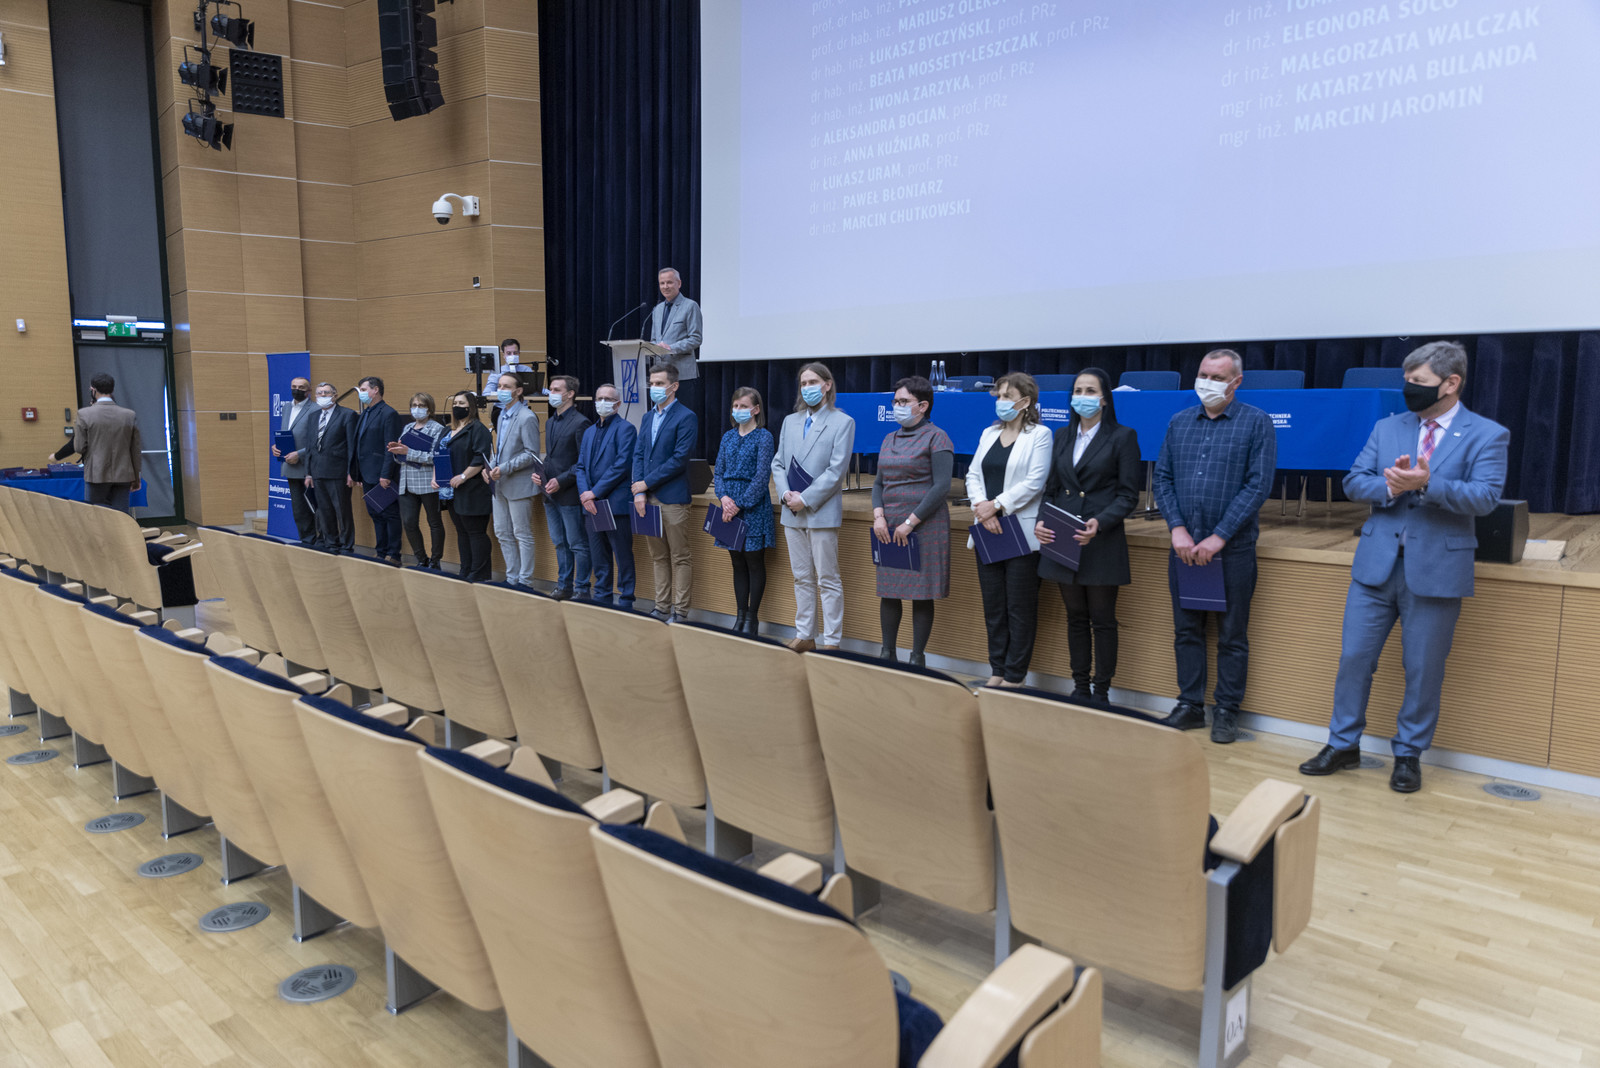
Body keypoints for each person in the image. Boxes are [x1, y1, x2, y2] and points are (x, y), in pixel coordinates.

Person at [1299, 342, 1509, 793]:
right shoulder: (1387, 427)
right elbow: (1354, 481)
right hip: (1375, 567)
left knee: (1423, 669)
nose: (1408, 389)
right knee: (1354, 659)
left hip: (1436, 570)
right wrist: (1391, 487)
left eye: (1419, 382)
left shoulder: (1487, 434)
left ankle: (1409, 754)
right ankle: (1342, 744)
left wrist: (1428, 483)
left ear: (1451, 384)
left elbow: (1486, 498)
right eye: (1407, 380)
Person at [1151, 349, 1277, 743]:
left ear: (1237, 382)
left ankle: (1226, 711)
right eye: (1203, 374)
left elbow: (1258, 485)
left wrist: (1219, 536)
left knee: (1232, 635)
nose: (1207, 383)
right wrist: (1177, 529)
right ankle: (1190, 705)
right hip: (1184, 546)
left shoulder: (1257, 422)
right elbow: (1162, 478)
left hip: (1232, 548)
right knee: (1186, 630)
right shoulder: (1179, 421)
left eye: (1218, 377)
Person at [1034, 368, 1142, 704]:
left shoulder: (1123, 436)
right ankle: (1080, 687)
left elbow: (1128, 495)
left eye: (1090, 390)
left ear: (1104, 399)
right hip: (1063, 537)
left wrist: (1100, 522)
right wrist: (1041, 520)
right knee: (1075, 618)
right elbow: (1051, 489)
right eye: (1078, 390)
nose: (1082, 396)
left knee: (1102, 620)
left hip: (1100, 539)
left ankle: (1101, 692)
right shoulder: (1062, 435)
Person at [966, 372, 1053, 687]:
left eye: (1007, 396)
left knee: (1019, 608)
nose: (1000, 402)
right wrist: (982, 507)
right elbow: (972, 475)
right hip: (987, 528)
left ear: (1025, 401)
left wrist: (997, 505)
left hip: (1021, 531)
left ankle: (1015, 676)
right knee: (994, 607)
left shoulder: (1040, 434)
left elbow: (1035, 482)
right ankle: (997, 672)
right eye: (999, 396)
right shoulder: (989, 433)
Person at [772, 362, 856, 652]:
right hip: (791, 510)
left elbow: (836, 471)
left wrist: (805, 498)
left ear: (827, 385)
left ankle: (832, 641)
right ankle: (805, 634)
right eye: (803, 383)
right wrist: (786, 494)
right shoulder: (790, 421)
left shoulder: (842, 422)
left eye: (812, 382)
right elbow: (778, 463)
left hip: (820, 511)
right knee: (801, 577)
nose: (807, 387)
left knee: (827, 578)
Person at [871, 376, 953, 667]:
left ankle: (917, 658)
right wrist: (879, 516)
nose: (897, 406)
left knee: (921, 594)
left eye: (903, 401)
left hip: (924, 524)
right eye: (895, 401)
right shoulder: (888, 438)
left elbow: (942, 486)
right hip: (889, 525)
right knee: (889, 591)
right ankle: (887, 654)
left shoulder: (937, 437)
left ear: (923, 405)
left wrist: (910, 522)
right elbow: (879, 483)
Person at [631, 362, 699, 621]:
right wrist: (639, 492)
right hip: (647, 498)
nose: (654, 388)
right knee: (658, 556)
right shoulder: (647, 417)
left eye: (659, 383)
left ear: (674, 386)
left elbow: (679, 459)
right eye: (652, 383)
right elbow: (639, 454)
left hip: (673, 498)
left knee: (680, 557)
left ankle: (680, 612)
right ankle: (661, 608)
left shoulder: (686, 416)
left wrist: (645, 483)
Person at [713, 387, 776, 637]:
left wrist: (738, 504)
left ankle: (752, 619)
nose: (738, 410)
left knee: (753, 562)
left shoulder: (764, 437)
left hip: (752, 507)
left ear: (756, 409)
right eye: (735, 406)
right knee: (736, 563)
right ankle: (739, 616)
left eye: (743, 406)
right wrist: (724, 498)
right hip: (728, 506)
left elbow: (762, 477)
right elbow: (718, 472)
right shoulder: (728, 437)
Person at [577, 383, 639, 607]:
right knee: (599, 556)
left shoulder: (626, 429)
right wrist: (586, 494)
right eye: (599, 398)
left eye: (608, 399)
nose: (602, 402)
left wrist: (594, 493)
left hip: (614, 504)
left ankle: (626, 600)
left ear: (618, 404)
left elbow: (621, 466)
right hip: (592, 505)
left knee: (622, 556)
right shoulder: (589, 431)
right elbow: (580, 466)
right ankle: (601, 598)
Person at [50, 373, 141, 512]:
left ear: (93, 390)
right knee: (121, 517)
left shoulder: (84, 414)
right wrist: (136, 477)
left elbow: (79, 447)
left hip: (96, 474)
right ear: (112, 390)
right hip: (123, 474)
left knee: (96, 516)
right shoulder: (129, 415)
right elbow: (135, 450)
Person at [539, 375, 593, 600]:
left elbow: (582, 462)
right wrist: (541, 474)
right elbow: (551, 458)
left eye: (556, 389)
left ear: (570, 394)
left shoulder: (581, 423)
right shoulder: (550, 421)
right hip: (549, 493)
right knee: (559, 543)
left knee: (577, 543)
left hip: (569, 493)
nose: (551, 393)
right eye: (550, 389)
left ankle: (582, 588)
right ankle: (564, 586)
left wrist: (560, 480)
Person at [487, 372, 541, 586]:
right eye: (499, 386)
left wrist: (504, 468)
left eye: (506, 386)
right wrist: (491, 466)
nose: (501, 390)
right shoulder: (501, 414)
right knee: (502, 532)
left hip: (519, 483)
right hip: (499, 483)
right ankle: (512, 578)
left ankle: (525, 581)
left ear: (518, 391)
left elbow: (531, 453)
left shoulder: (527, 417)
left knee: (522, 533)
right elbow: (500, 448)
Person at [387, 392, 447, 569]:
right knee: (409, 522)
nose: (417, 409)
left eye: (421, 406)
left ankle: (435, 561)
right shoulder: (408, 427)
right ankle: (421, 558)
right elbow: (401, 457)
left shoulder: (437, 429)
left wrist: (408, 453)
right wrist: (397, 451)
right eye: (414, 405)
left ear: (429, 408)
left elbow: (435, 457)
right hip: (407, 483)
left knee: (434, 522)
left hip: (428, 483)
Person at [350, 375, 405, 564]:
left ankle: (394, 554)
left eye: (364, 390)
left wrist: (385, 474)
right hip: (367, 474)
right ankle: (381, 552)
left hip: (381, 474)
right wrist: (357, 473)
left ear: (375, 390)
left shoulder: (388, 413)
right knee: (375, 513)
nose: (361, 393)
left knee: (389, 514)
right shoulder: (365, 413)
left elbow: (390, 448)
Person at [442, 391, 494, 581]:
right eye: (455, 403)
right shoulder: (447, 430)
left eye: (461, 403)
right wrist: (436, 477)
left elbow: (480, 458)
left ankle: (479, 573)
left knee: (475, 532)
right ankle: (465, 569)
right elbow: (438, 455)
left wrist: (463, 476)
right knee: (462, 532)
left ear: (470, 407)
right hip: (451, 491)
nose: (457, 406)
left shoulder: (478, 429)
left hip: (473, 489)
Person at [305, 382, 357, 552]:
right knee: (324, 511)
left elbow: (352, 446)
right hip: (317, 471)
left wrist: (351, 472)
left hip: (338, 472)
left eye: (326, 393)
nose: (322, 396)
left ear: (335, 395)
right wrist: (308, 473)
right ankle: (331, 543)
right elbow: (309, 446)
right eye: (319, 393)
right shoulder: (313, 416)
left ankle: (346, 545)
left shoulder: (347, 415)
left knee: (342, 511)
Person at [647, 267, 704, 415]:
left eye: (669, 282)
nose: (665, 286)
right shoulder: (657, 309)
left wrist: (671, 348)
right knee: (663, 417)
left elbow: (696, 338)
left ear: (679, 283)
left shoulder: (690, 306)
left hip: (682, 375)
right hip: (660, 375)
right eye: (662, 283)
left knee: (682, 416)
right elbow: (654, 339)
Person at [272, 376, 318, 541]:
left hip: (310, 467)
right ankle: (306, 542)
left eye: (301, 387)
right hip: (290, 466)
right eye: (294, 386)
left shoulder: (316, 409)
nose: (296, 390)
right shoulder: (286, 407)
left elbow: (318, 440)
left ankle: (319, 544)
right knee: (299, 510)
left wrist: (299, 454)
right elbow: (286, 433)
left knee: (316, 508)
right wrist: (276, 447)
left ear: (309, 390)